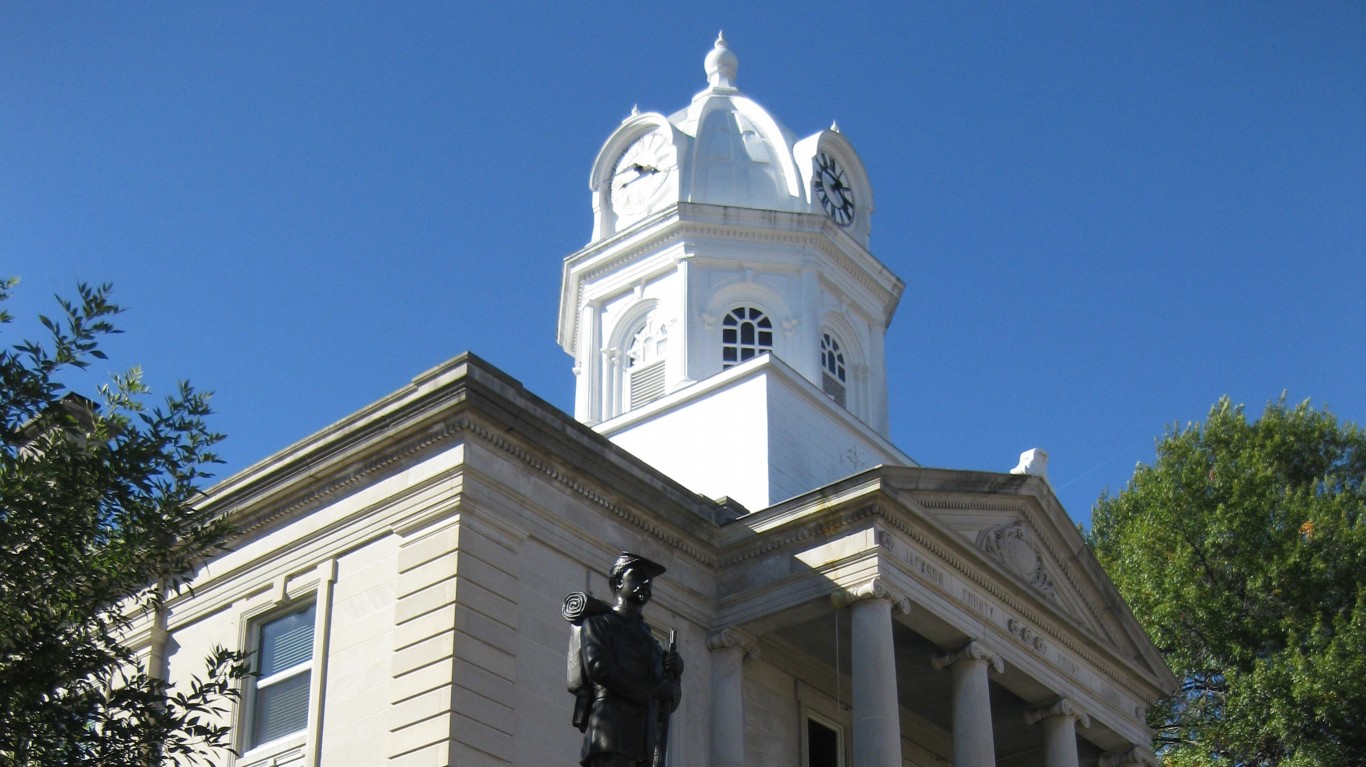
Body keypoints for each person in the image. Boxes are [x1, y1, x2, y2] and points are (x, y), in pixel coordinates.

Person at [574, 553, 684, 767]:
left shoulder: (652, 643)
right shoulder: (599, 624)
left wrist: (675, 675)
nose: (645, 583)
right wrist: (654, 691)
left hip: (645, 741)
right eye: (637, 576)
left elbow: (666, 703)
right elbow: (600, 668)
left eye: (648, 580)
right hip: (612, 733)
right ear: (617, 582)